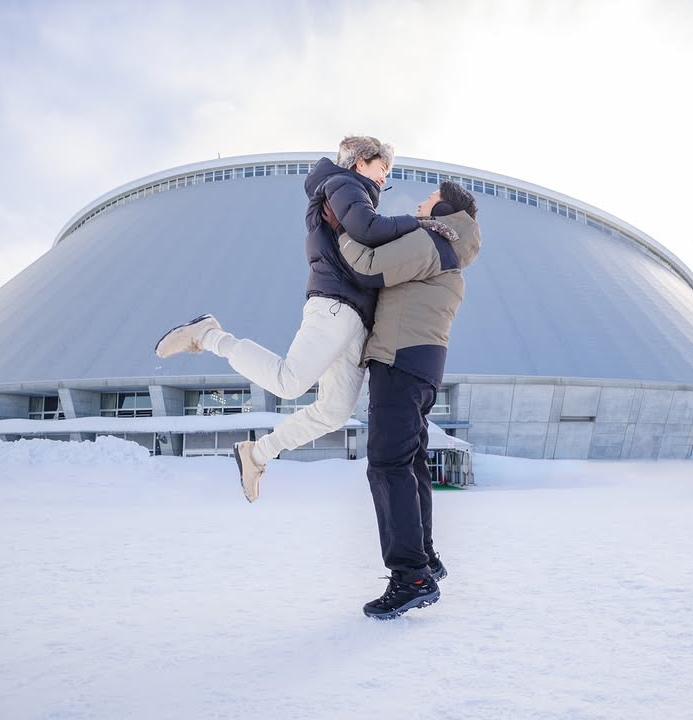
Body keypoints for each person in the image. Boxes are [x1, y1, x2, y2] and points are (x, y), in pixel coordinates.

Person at [154, 136, 420, 502]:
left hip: (356, 319)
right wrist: (419, 222)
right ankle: (209, 335)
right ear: (361, 162)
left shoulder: (355, 193)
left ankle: (257, 454)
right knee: (289, 380)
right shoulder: (343, 184)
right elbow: (368, 230)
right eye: (382, 168)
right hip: (335, 304)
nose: (384, 178)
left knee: (335, 412)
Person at [335, 180, 481, 619]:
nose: (418, 207)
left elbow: (368, 266)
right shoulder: (450, 252)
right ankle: (425, 558)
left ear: (443, 211)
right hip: (420, 362)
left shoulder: (432, 240)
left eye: (427, 202)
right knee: (410, 463)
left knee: (388, 465)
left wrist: (338, 225)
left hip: (401, 359)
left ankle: (412, 577)